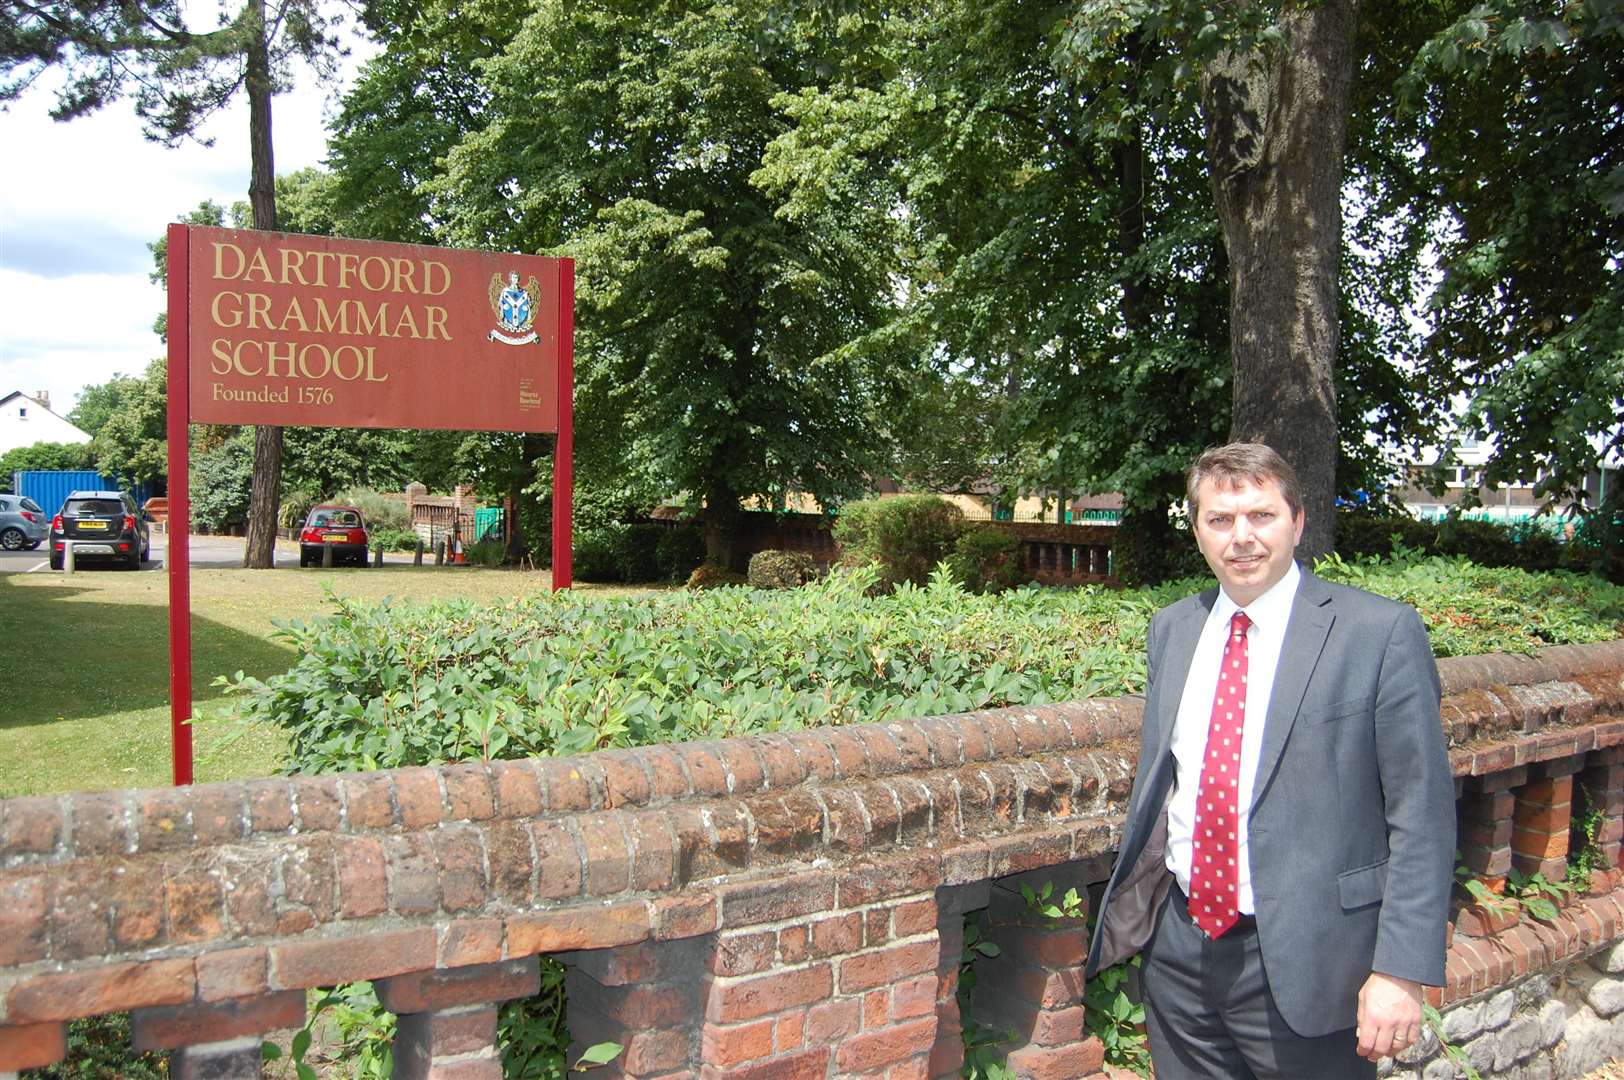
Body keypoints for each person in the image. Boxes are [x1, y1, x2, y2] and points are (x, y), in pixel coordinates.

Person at [1085, 443, 1455, 1079]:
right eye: (1220, 520)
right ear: (1197, 530)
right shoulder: (1173, 629)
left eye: (1261, 516)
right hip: (1181, 950)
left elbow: (1421, 813)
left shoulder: (1378, 633)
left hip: (1311, 957)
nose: (1242, 539)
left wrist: (1400, 969)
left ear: (1298, 521)